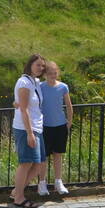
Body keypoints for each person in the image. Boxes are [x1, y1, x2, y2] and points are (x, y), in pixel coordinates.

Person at [10, 54, 47, 208]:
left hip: (36, 126)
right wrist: (30, 133)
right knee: (26, 163)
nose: (41, 68)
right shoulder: (24, 82)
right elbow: (24, 109)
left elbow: (20, 103)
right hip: (26, 128)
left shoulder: (35, 81)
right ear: (30, 64)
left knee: (38, 164)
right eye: (38, 65)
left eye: (42, 66)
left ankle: (16, 191)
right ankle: (19, 197)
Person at [39, 60, 73, 195]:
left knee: (58, 154)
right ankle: (42, 183)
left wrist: (69, 122)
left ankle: (58, 181)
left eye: (55, 73)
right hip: (44, 126)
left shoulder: (63, 87)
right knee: (44, 156)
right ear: (45, 74)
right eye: (50, 73)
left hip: (60, 125)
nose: (53, 76)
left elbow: (69, 105)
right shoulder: (40, 87)